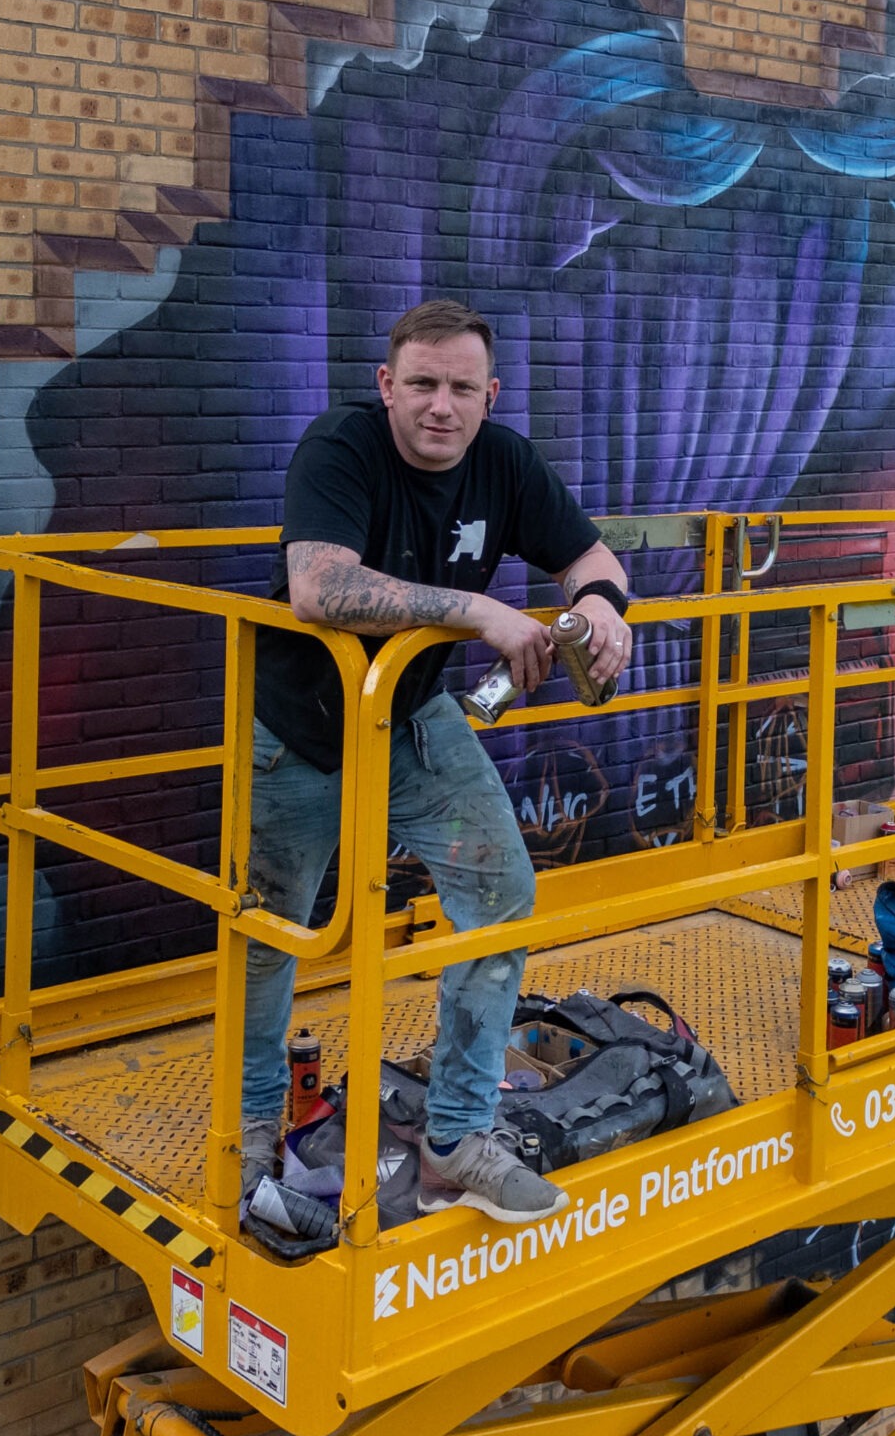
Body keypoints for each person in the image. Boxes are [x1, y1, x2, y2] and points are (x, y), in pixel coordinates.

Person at [242, 299, 634, 1224]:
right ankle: (257, 1125)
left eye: (462, 387)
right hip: (300, 731)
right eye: (421, 383)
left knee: (500, 899)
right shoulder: (341, 447)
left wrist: (606, 602)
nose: (440, 406)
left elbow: (588, 554)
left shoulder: (505, 460)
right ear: (387, 385)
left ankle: (457, 1137)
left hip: (415, 719)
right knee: (272, 933)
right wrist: (478, 610)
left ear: (489, 394)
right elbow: (319, 585)